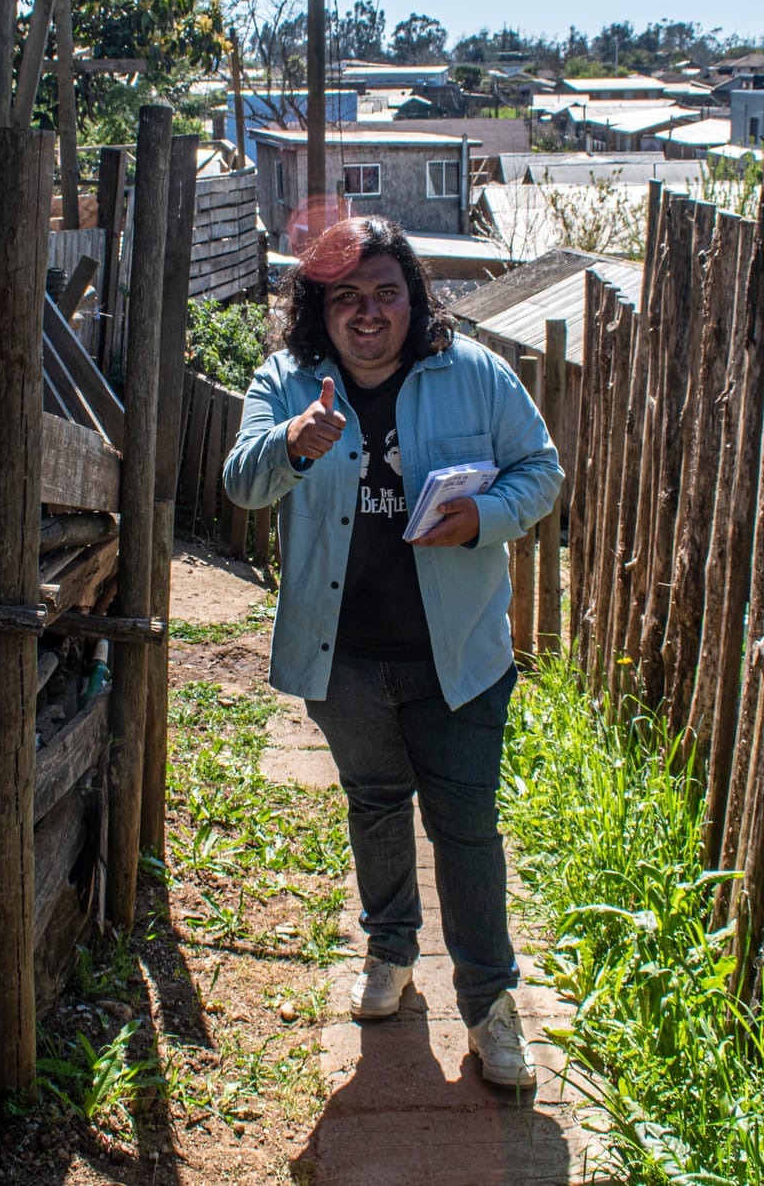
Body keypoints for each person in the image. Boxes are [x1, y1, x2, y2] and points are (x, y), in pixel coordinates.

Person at [222, 215, 563, 1089]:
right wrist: (293, 443)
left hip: (459, 658)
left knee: (466, 827)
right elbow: (242, 480)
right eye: (348, 296)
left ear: (414, 297)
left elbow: (541, 471)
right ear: (319, 308)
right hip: (343, 658)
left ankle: (490, 1003)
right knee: (375, 805)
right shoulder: (287, 380)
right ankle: (390, 953)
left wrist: (484, 517)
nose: (368, 312)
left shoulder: (475, 374)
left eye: (385, 292)